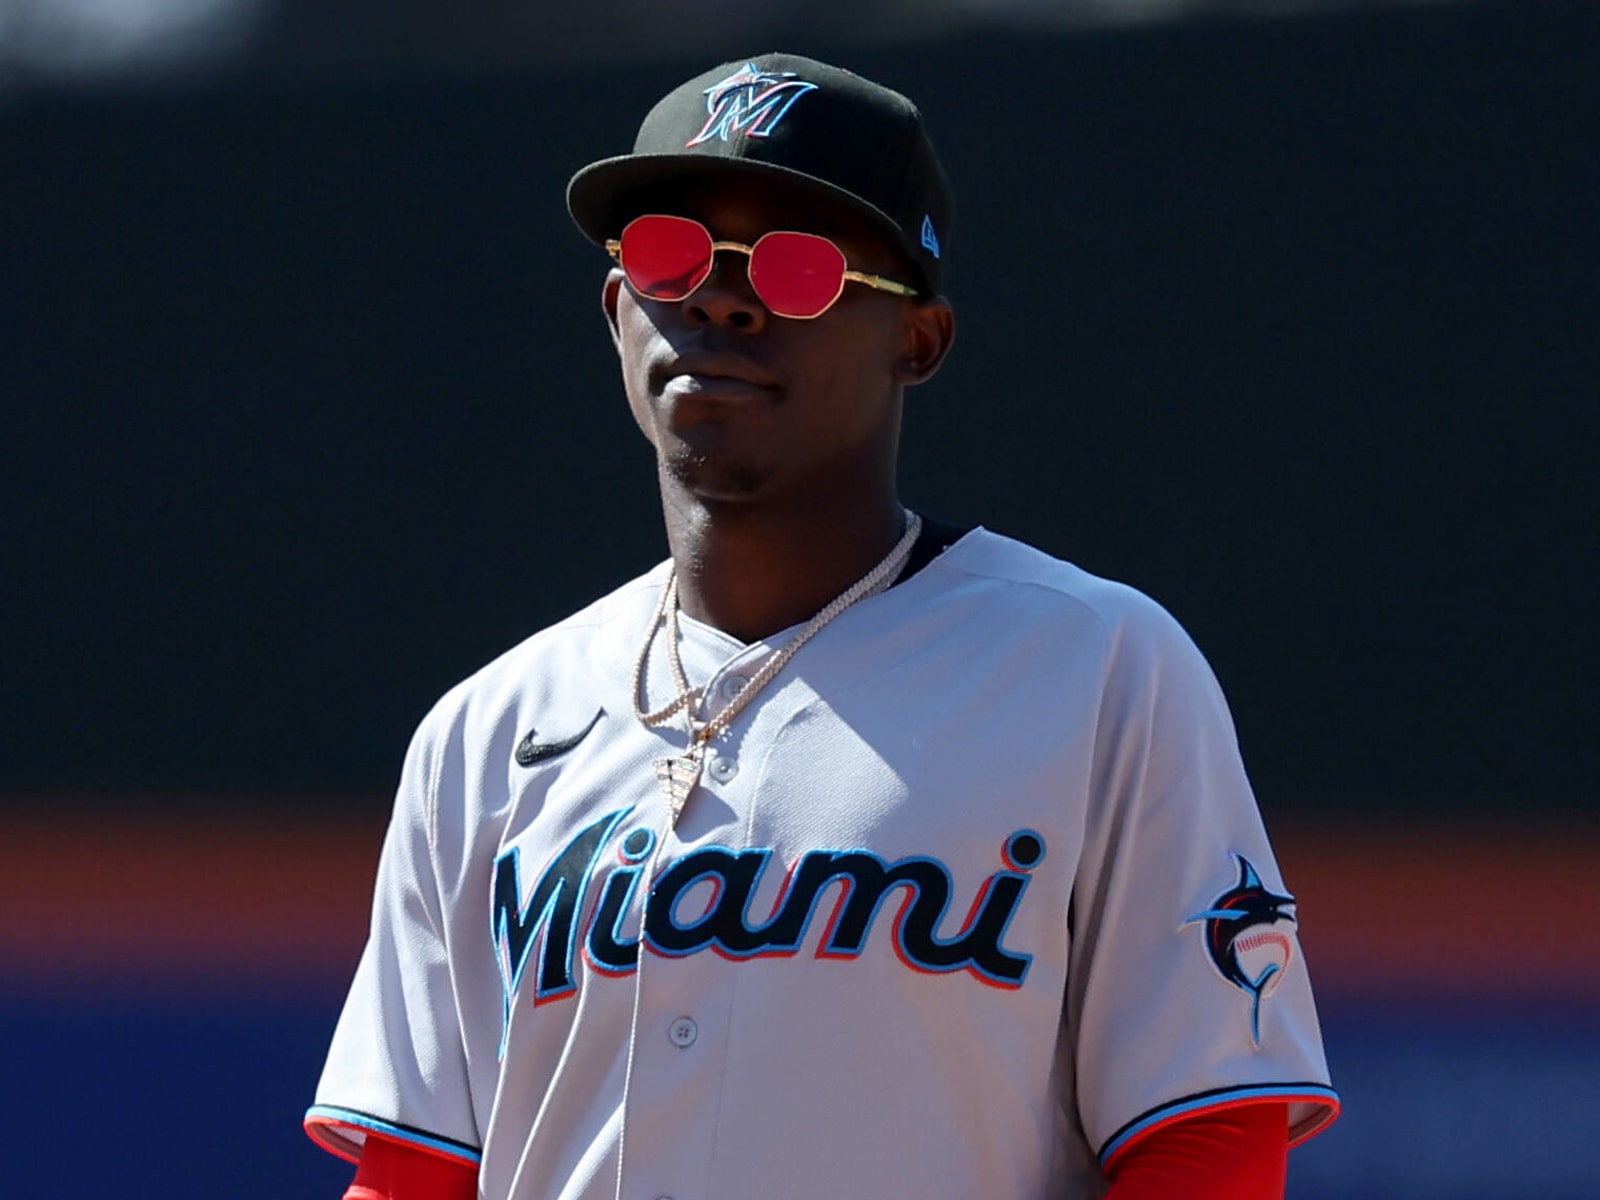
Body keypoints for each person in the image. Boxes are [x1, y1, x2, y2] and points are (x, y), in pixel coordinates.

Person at [304, 52, 1338, 1200]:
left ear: (918, 340)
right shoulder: (489, 729)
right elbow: (410, 1174)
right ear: (616, 310)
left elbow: (1206, 1142)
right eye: (668, 254)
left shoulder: (1093, 668)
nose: (718, 297)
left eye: (798, 267)